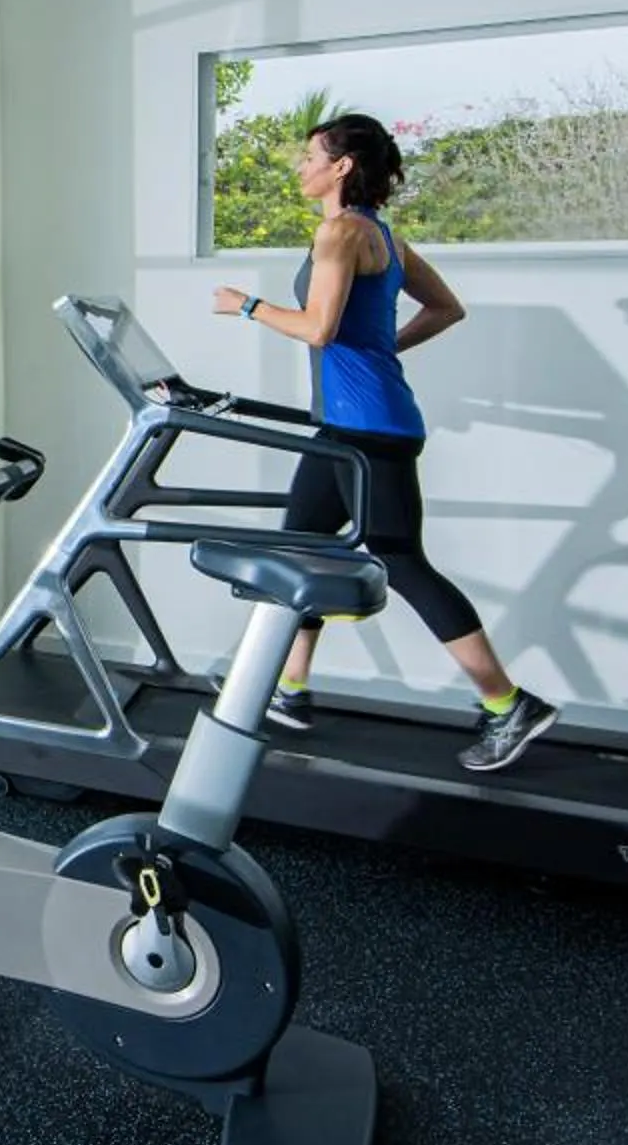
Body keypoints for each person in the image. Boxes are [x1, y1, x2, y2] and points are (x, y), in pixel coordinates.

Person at [210, 113, 558, 773]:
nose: (301, 166)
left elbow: (317, 329)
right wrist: (377, 352)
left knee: (401, 561)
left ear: (342, 166)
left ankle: (507, 703)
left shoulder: (340, 232)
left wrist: (247, 305)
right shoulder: (385, 236)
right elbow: (446, 308)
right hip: (346, 425)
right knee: (300, 548)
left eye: (311, 155)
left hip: (370, 431)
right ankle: (288, 690)